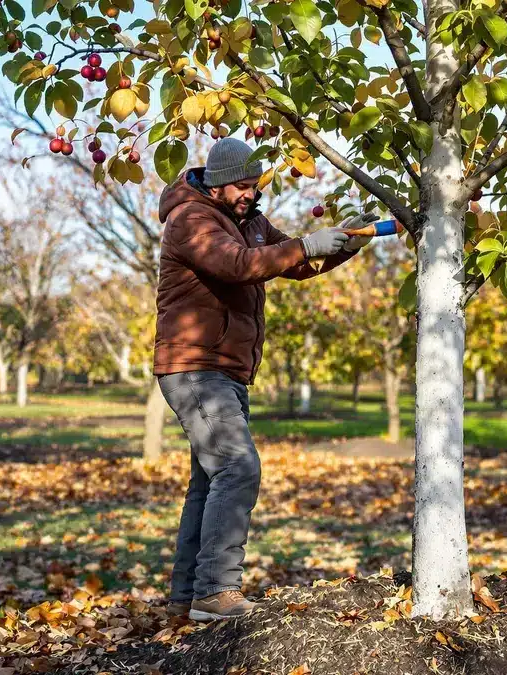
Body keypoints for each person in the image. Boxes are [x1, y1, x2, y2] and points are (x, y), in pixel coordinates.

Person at [154, 138, 374, 622]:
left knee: (209, 483)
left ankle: (186, 598)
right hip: (194, 365)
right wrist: (302, 244)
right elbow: (237, 265)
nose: (251, 194)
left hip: (227, 370)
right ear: (216, 183)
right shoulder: (192, 220)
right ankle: (215, 591)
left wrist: (346, 243)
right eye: (243, 186)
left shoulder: (249, 219)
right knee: (238, 467)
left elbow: (292, 262)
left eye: (256, 186)